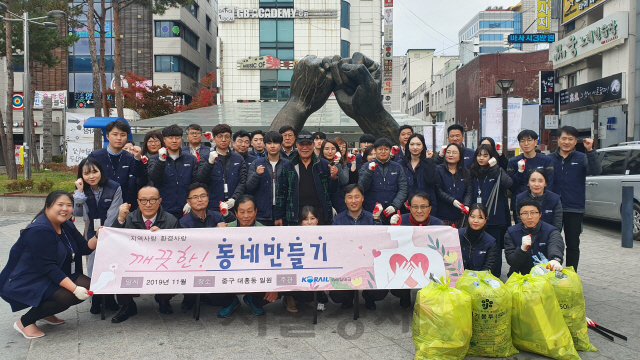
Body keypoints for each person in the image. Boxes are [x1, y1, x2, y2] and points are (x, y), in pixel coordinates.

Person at [0, 191, 97, 338]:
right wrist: (75, 288)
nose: (65, 209)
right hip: (29, 279)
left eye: (69, 205)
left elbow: (84, 248)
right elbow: (48, 268)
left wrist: (97, 236)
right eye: (60, 205)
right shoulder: (39, 230)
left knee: (88, 285)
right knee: (68, 296)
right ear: (47, 207)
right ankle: (25, 322)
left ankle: (46, 312)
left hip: (51, 274)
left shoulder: (66, 225)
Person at [111, 186, 181, 323]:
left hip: (162, 263)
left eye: (152, 200)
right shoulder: (128, 218)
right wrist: (120, 219)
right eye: (143, 200)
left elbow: (180, 248)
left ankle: (163, 300)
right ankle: (128, 305)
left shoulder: (171, 220)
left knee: (177, 270)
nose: (148, 204)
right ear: (138, 202)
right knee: (117, 268)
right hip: (135, 263)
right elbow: (113, 240)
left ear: (159, 201)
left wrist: (163, 237)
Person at [178, 183, 239, 317]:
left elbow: (236, 229)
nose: (199, 200)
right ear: (188, 201)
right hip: (195, 262)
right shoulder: (183, 222)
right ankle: (191, 298)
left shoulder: (217, 216)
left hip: (218, 261)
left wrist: (227, 220)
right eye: (195, 197)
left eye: (202, 196)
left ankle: (230, 300)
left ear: (208, 198)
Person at [72, 157, 122, 314]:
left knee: (111, 264)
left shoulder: (114, 187)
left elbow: (114, 212)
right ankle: (96, 299)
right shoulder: (82, 191)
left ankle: (109, 298)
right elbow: (77, 213)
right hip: (91, 232)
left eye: (95, 171)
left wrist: (105, 231)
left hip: (111, 231)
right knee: (93, 265)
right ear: (81, 175)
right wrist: (79, 193)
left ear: (101, 171)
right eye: (86, 173)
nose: (91, 176)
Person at [549, 126, 602, 270]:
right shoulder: (549, 159)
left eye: (570, 139)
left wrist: (590, 150)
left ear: (575, 141)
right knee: (552, 242)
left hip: (574, 208)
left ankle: (571, 274)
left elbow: (596, 171)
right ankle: (551, 272)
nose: (567, 142)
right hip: (553, 208)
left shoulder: (582, 157)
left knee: (572, 244)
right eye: (564, 138)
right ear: (558, 140)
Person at [329, 185, 387, 310]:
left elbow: (380, 240)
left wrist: (377, 219)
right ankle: (348, 297)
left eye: (357, 197)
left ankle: (368, 297)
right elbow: (334, 245)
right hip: (346, 264)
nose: (353, 201)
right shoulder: (338, 220)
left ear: (363, 199)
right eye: (350, 197)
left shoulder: (372, 217)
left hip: (369, 263)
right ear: (345, 200)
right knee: (337, 295)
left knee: (380, 292)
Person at [225, 195, 280, 315]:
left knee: (279, 288)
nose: (246, 216)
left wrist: (274, 287)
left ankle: (253, 301)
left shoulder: (266, 232)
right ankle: (230, 302)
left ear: (255, 212)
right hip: (231, 274)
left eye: (250, 211)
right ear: (236, 213)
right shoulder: (225, 230)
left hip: (257, 274)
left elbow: (273, 260)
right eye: (242, 212)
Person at [470, 143, 513, 277]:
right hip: (476, 217)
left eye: (485, 155)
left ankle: (496, 277)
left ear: (491, 157)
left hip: (495, 217)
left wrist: (495, 167)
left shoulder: (497, 171)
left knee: (495, 250)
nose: (481, 158)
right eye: (479, 155)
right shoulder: (472, 172)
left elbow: (509, 184)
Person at [281, 206, 328, 313]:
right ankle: (289, 298)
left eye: (312, 218)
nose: (309, 222)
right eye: (305, 219)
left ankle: (311, 299)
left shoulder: (325, 234)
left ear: (317, 220)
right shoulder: (293, 236)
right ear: (300, 222)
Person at [287, 130, 339, 225]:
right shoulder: (289, 165)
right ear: (297, 145)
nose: (305, 148)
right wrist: (279, 216)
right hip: (296, 212)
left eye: (308, 144)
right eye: (302, 144)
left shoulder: (323, 164)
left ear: (313, 145)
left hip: (320, 211)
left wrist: (334, 178)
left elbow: (332, 191)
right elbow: (282, 192)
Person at [147, 124, 199, 220]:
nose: (174, 141)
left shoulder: (191, 159)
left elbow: (196, 183)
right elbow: (154, 178)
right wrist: (161, 161)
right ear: (164, 140)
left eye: (177, 138)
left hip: (187, 209)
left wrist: (191, 201)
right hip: (163, 210)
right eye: (170, 138)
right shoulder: (155, 159)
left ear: (181, 139)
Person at [246, 131, 297, 226]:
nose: (272, 146)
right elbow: (249, 188)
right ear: (265, 145)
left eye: (276, 143)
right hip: (262, 213)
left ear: (281, 145)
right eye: (269, 143)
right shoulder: (257, 163)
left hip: (283, 213)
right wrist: (257, 175)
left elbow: (292, 190)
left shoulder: (287, 164)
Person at [88, 120, 144, 205]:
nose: (119, 138)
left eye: (123, 135)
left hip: (125, 204)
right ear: (107, 136)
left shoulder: (131, 157)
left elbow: (139, 175)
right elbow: (86, 178)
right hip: (100, 203)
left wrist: (138, 159)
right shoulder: (95, 156)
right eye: (115, 134)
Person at [504, 198, 565, 276]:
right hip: (519, 276)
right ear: (519, 216)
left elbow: (556, 245)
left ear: (540, 214)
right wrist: (522, 250)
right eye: (525, 213)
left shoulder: (551, 231)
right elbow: (512, 261)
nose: (529, 217)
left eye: (533, 213)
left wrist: (555, 260)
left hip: (546, 275)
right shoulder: (511, 232)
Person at [197, 124, 247, 213]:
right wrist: (209, 163)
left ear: (231, 139)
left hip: (234, 206)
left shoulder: (238, 158)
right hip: (212, 206)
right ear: (214, 138)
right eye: (220, 137)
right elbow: (201, 180)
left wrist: (235, 198)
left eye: (227, 137)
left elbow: (242, 182)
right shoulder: (205, 157)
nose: (223, 140)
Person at [507, 130, 555, 220]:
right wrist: (519, 172)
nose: (526, 143)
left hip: (541, 204)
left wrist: (545, 202)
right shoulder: (513, 161)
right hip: (520, 203)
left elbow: (549, 183)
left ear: (535, 142)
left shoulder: (546, 160)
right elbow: (511, 186)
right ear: (519, 144)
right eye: (522, 141)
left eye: (529, 140)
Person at [359, 138, 408, 224]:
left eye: (386, 149)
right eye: (380, 149)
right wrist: (369, 172)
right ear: (375, 150)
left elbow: (403, 188)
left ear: (390, 150)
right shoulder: (366, 166)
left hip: (392, 212)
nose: (383, 152)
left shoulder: (397, 167)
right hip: (371, 210)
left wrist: (395, 206)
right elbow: (361, 188)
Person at [398, 133, 439, 215]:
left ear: (423, 146)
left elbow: (431, 181)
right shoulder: (400, 164)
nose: (415, 147)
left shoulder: (429, 162)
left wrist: (428, 161)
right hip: (406, 208)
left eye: (418, 144)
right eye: (412, 144)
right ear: (408, 146)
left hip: (426, 207)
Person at [435, 143, 472, 227]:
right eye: (448, 152)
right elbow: (438, 190)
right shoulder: (439, 169)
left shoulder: (466, 172)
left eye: (454, 152)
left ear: (460, 156)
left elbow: (468, 191)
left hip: (460, 216)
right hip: (442, 215)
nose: (450, 155)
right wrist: (453, 201)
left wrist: (466, 205)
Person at [458, 203, 498, 271]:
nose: (475, 221)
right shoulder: (457, 235)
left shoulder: (490, 242)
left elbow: (488, 268)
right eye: (473, 217)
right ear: (468, 218)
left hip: (479, 279)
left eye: (480, 217)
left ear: (485, 220)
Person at [321, 139, 348, 214]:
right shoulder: (318, 164)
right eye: (326, 149)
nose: (330, 152)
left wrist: (337, 163)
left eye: (333, 149)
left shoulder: (342, 165)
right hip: (323, 202)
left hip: (339, 202)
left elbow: (344, 181)